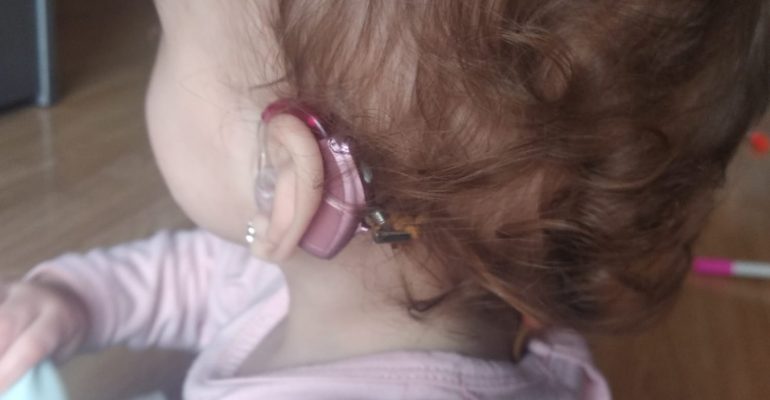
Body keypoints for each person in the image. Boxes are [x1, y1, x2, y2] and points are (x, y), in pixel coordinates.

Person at [1, 1, 768, 398]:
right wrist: (76, 300)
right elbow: (195, 278)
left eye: (163, 34)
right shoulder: (301, 275)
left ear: (286, 182)